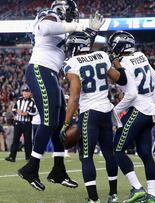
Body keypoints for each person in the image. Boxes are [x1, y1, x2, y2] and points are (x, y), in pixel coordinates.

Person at [18, 0, 104, 191]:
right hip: (40, 69)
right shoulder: (51, 16)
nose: (74, 16)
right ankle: (31, 167)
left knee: (57, 126)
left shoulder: (64, 29)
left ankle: (58, 170)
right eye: (72, 13)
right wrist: (76, 25)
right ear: (63, 11)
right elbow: (45, 27)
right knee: (48, 122)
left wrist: (91, 32)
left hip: (51, 75)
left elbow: (77, 48)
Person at [62, 32, 127, 203]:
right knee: (109, 154)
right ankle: (113, 195)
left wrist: (66, 122)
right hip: (106, 112)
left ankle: (93, 199)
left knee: (86, 156)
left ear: (75, 47)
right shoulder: (102, 55)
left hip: (89, 113)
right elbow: (120, 79)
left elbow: (75, 96)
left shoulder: (72, 62)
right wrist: (118, 64)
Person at [109, 31, 155, 203]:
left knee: (117, 149)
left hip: (139, 109)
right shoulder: (141, 56)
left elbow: (132, 94)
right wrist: (151, 105)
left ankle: (137, 188)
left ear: (119, 46)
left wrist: (115, 111)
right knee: (145, 153)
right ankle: (152, 195)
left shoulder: (123, 62)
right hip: (149, 111)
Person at [5, 87, 37, 162]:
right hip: (18, 123)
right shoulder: (19, 100)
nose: (25, 93)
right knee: (15, 140)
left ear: (30, 93)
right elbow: (13, 109)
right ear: (22, 92)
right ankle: (12, 157)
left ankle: (28, 157)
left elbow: (35, 112)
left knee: (28, 141)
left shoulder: (32, 101)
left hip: (27, 123)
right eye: (24, 92)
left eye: (27, 92)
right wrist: (17, 111)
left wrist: (27, 113)